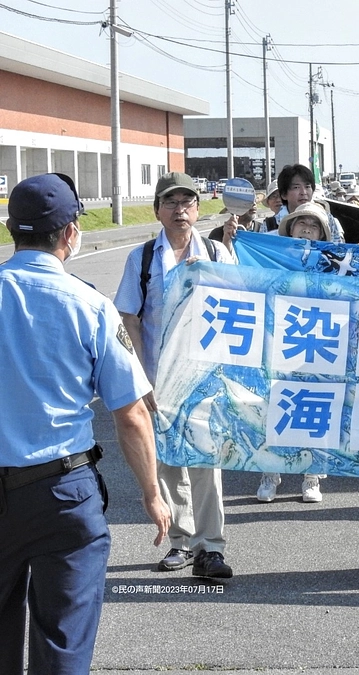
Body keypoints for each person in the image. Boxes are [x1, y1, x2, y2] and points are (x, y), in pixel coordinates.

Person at [0, 173, 170, 674]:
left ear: (11, 230)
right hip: (63, 490)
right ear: (71, 233)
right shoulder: (90, 305)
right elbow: (131, 414)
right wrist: (152, 494)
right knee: (64, 640)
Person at [115, 171, 235, 579]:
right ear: (157, 210)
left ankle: (211, 547)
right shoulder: (143, 258)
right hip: (157, 380)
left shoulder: (216, 253)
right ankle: (181, 542)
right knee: (166, 462)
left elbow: (241, 307)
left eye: (187, 202)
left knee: (206, 462)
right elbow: (129, 318)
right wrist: (141, 376)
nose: (179, 209)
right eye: (171, 202)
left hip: (205, 378)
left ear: (198, 210)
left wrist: (210, 278)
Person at [254, 202, 333, 504]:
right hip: (279, 340)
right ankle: (269, 472)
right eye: (302, 224)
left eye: (314, 226)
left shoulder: (332, 262)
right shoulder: (272, 258)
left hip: (319, 342)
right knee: (273, 406)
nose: (307, 230)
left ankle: (311, 477)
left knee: (315, 407)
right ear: (290, 228)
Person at [277, 163, 345, 244]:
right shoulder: (270, 224)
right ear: (284, 194)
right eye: (296, 187)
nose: (303, 192)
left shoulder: (328, 220)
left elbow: (337, 249)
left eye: (307, 187)